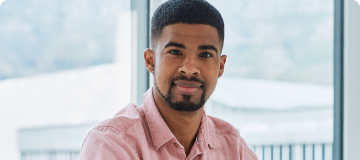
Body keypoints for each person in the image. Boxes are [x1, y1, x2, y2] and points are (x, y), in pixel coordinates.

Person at [80, 0, 258, 159]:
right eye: (175, 52)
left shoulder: (233, 146)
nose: (189, 68)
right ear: (150, 60)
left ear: (221, 66)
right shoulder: (112, 142)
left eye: (205, 54)